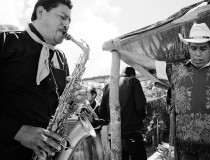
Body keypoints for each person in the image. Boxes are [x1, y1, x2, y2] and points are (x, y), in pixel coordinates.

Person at [104, 23, 210, 160]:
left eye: (203, 48)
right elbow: (149, 62)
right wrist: (120, 51)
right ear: (189, 48)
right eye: (194, 48)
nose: (198, 53)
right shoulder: (176, 70)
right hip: (187, 150)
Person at [0, 0, 87, 159]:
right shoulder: (5, 42)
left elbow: (61, 105)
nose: (67, 24)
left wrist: (73, 102)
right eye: (62, 17)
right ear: (41, 12)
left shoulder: (61, 57)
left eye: (69, 20)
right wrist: (19, 132)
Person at [99, 67, 147, 160]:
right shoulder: (133, 81)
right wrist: (140, 117)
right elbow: (141, 106)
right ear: (133, 75)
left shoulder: (108, 86)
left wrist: (112, 119)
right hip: (132, 132)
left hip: (114, 135)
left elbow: (102, 112)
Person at [82, 87, 105, 160]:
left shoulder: (99, 106)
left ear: (94, 95)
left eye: (87, 93)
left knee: (100, 156)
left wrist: (93, 120)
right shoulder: (84, 106)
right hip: (85, 134)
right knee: (87, 157)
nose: (86, 95)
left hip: (96, 133)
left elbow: (104, 121)